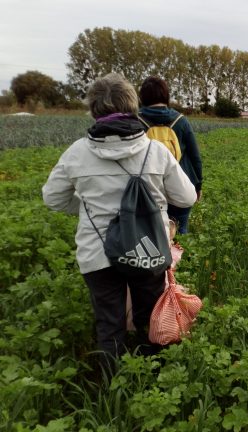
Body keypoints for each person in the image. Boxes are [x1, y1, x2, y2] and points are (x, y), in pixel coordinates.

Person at [42, 73, 197, 375]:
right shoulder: (155, 151)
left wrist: (86, 207)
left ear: (94, 110)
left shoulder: (76, 152)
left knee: (109, 324)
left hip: (97, 254)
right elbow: (187, 196)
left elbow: (53, 198)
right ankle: (156, 379)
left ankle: (112, 393)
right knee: (149, 316)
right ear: (133, 106)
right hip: (147, 248)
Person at [138, 76, 203, 234]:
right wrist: (198, 185)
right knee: (180, 232)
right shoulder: (181, 121)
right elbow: (195, 157)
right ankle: (182, 256)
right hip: (180, 185)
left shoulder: (136, 121)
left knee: (151, 236)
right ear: (166, 95)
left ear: (142, 98)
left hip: (149, 189)